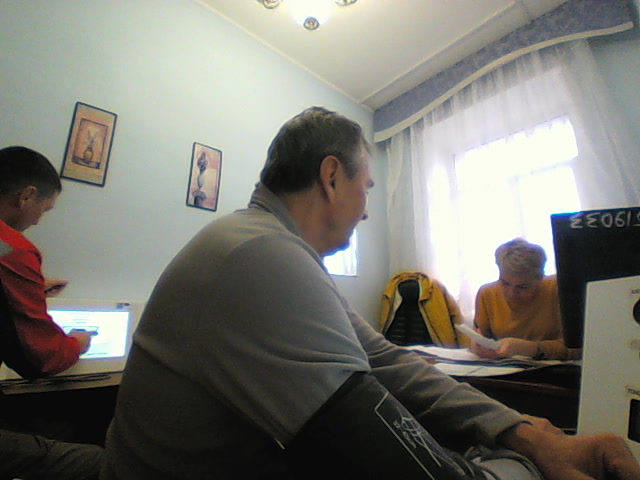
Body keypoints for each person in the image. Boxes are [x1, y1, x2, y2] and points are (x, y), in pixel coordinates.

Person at [102, 107, 640, 480]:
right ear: (332, 177)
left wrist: (525, 432)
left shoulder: (271, 248)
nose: (365, 209)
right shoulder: (262, 255)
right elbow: (397, 456)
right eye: (367, 188)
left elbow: (385, 360)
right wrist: (528, 462)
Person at [0, 145, 103, 479]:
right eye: (43, 210)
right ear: (26, 195)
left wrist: (32, 288)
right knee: (98, 460)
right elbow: (42, 358)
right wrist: (78, 342)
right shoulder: (13, 249)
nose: (37, 220)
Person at [472, 238, 580, 360]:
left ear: (540, 277)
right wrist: (478, 345)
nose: (512, 294)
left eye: (523, 287)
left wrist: (532, 349)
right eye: (505, 283)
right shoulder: (487, 293)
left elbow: (578, 349)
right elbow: (482, 337)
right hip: (504, 367)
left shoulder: (558, 289)